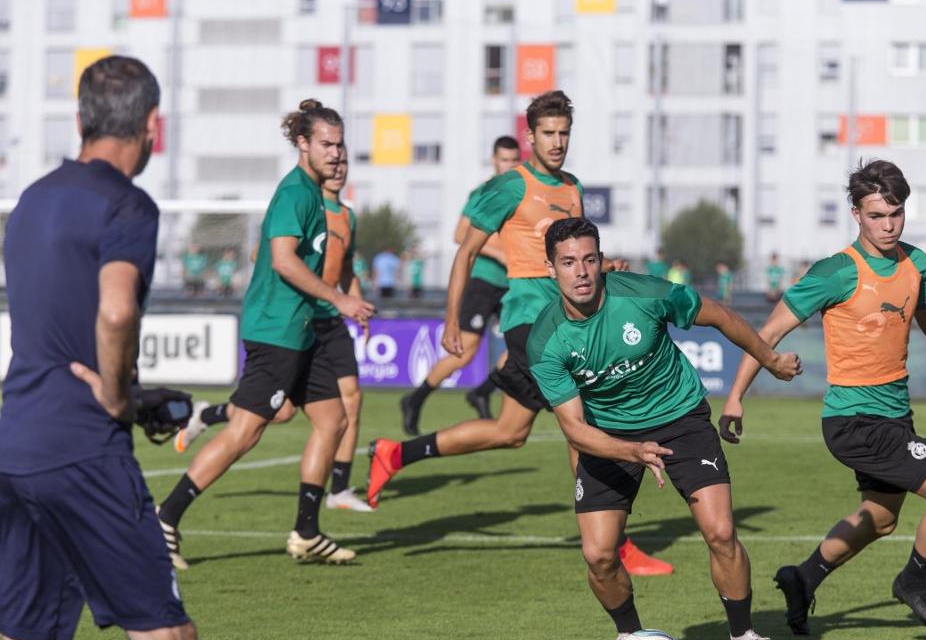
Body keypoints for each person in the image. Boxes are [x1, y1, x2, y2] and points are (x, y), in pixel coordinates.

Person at [0, 55, 222, 640]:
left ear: (80, 121)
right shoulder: (127, 205)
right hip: (81, 452)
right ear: (152, 126)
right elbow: (117, 311)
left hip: (16, 441)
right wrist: (121, 395)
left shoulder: (30, 200)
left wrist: (125, 394)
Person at [366, 90, 673, 577]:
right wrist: (450, 320)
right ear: (531, 136)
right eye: (548, 133)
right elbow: (465, 250)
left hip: (563, 320)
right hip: (529, 323)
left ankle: (395, 453)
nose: (557, 142)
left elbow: (571, 254)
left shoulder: (572, 187)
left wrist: (603, 265)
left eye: (564, 133)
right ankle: (614, 546)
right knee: (586, 426)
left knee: (510, 432)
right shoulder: (511, 186)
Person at [721, 159, 926, 637]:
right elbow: (768, 332)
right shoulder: (836, 271)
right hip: (854, 421)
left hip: (894, 416)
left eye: (896, 213)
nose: (888, 225)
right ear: (856, 213)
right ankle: (914, 581)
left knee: (879, 518)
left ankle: (804, 577)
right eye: (877, 215)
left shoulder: (915, 262)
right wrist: (736, 396)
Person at [530, 217, 800, 640]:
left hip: (680, 419)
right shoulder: (546, 340)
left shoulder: (645, 294)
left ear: (601, 261)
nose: (581, 272)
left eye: (590, 260)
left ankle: (744, 637)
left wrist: (769, 359)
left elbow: (719, 315)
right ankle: (629, 637)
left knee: (720, 532)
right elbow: (575, 430)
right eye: (568, 262)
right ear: (550, 268)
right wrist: (631, 451)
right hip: (608, 436)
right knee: (598, 554)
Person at [156, 99, 375, 568]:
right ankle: (165, 517)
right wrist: (340, 299)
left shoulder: (316, 194)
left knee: (332, 419)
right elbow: (282, 260)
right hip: (276, 331)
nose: (336, 153)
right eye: (326, 144)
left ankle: (307, 532)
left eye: (340, 144)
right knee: (245, 432)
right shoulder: (296, 192)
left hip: (303, 330)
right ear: (303, 144)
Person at [174, 156, 375, 512]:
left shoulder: (347, 215)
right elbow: (269, 256)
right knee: (272, 417)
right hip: (296, 319)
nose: (338, 164)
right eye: (329, 150)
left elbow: (345, 268)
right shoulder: (299, 200)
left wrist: (354, 303)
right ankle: (172, 503)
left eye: (343, 157)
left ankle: (333, 497)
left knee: (345, 406)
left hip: (329, 317)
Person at [400, 135, 521, 434]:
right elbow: (459, 236)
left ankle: (482, 390)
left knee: (523, 347)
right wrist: (501, 254)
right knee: (464, 352)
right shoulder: (483, 192)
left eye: (514, 160)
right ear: (494, 160)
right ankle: (415, 399)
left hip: (514, 284)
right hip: (483, 281)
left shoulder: (522, 194)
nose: (509, 165)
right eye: (504, 159)